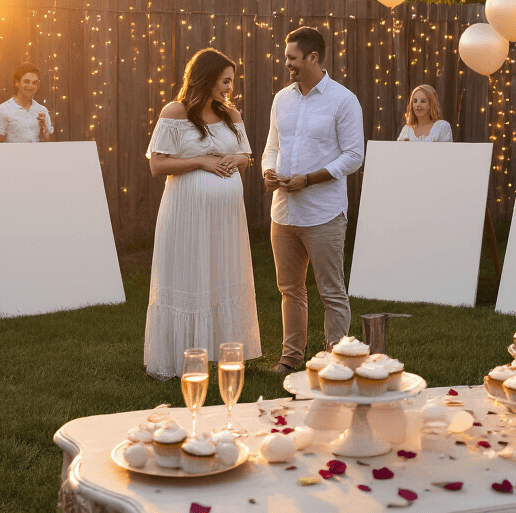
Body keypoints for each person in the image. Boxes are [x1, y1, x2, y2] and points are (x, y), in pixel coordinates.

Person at [143, 48, 261, 379]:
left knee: (221, 277)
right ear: (206, 78)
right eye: (225, 81)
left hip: (225, 219)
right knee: (188, 275)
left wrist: (234, 160)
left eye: (231, 82)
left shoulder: (231, 115)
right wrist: (201, 161)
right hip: (185, 213)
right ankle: (179, 358)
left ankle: (224, 354)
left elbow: (245, 156)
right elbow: (157, 164)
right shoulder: (175, 111)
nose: (229, 88)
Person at [262, 27, 365, 375]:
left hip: (323, 213)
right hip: (284, 212)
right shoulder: (282, 99)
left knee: (331, 292)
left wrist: (308, 179)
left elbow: (353, 156)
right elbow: (271, 148)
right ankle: (291, 360)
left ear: (313, 58)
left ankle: (335, 363)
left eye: (292, 58)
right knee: (290, 289)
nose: (287, 64)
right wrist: (267, 172)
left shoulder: (343, 100)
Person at [0, 62, 54, 143]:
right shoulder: (2, 110)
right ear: (17, 82)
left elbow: (49, 144)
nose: (31, 86)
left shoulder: (42, 110)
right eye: (27, 81)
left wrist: (45, 134)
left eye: (34, 82)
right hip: (13, 155)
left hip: (38, 155)